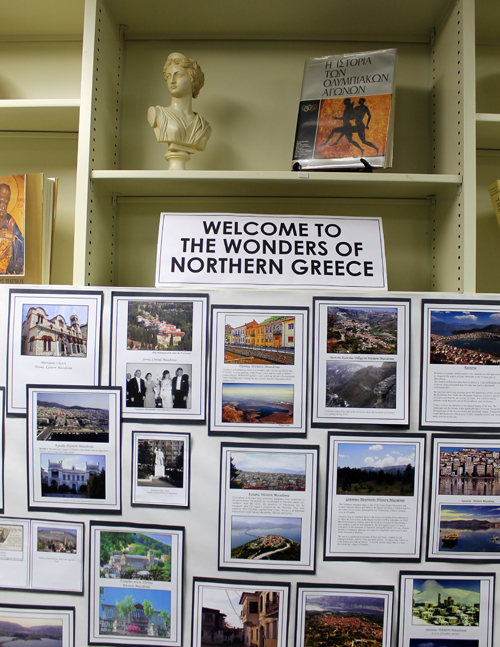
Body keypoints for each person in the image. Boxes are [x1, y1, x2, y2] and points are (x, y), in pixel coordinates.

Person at [147, 52, 212, 169]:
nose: (172, 81)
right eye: (168, 76)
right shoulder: (157, 114)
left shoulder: (204, 127)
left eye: (179, 75)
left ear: (192, 79)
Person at [0, 183, 24, 276]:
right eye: (1, 200)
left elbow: (21, 243)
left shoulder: (10, 221)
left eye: (6, 202)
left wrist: (12, 237)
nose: (3, 205)